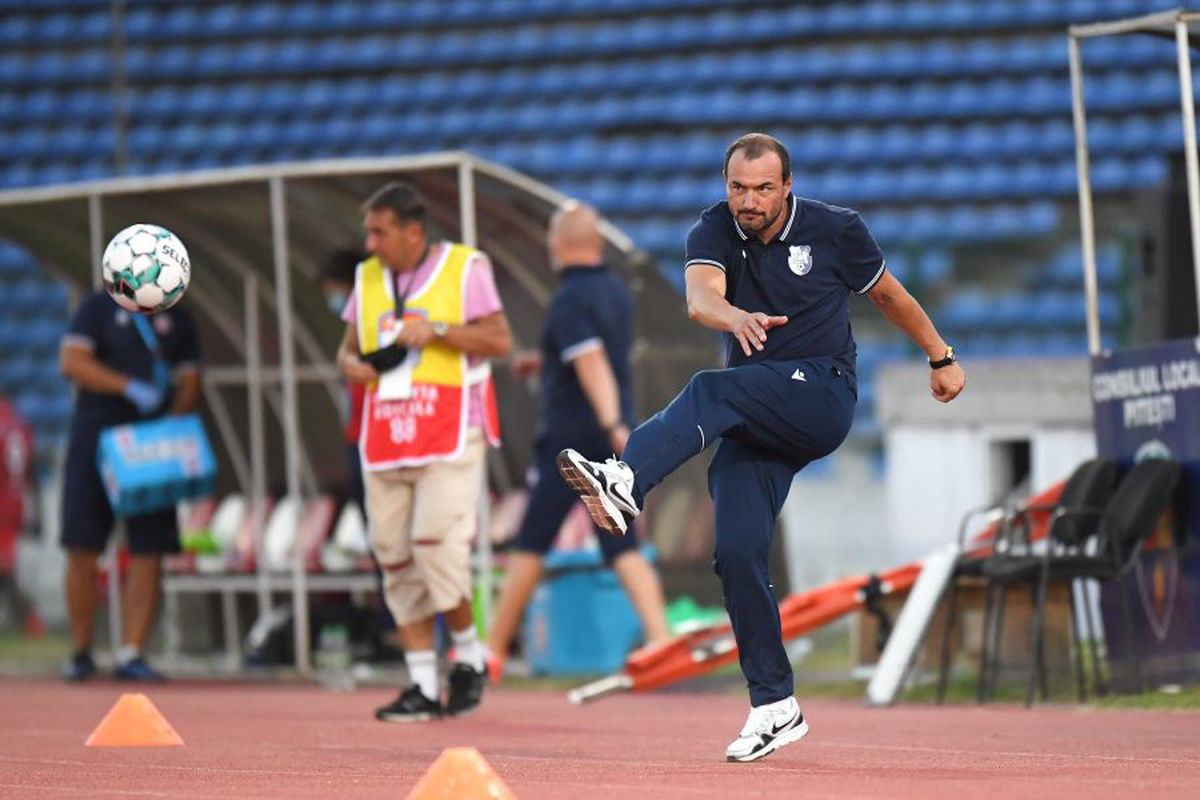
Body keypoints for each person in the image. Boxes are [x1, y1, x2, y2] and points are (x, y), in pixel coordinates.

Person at [558, 133, 966, 762]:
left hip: (821, 393)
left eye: (762, 189)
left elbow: (889, 296)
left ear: (787, 186)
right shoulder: (714, 229)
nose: (748, 201)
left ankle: (626, 480)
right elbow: (700, 299)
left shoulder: (836, 230)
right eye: (738, 188)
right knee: (738, 550)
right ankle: (775, 705)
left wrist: (940, 356)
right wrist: (735, 319)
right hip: (758, 413)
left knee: (709, 391)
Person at [337, 181, 511, 721]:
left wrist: (435, 329)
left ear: (414, 232)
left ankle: (467, 656)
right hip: (386, 432)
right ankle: (419, 684)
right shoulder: (366, 278)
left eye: (380, 232)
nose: (371, 243)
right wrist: (352, 366)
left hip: (450, 427)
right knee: (393, 555)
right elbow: (347, 348)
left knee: (434, 544)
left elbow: (499, 340)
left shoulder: (465, 267)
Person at [485, 201, 670, 676]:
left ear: (558, 245)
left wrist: (611, 421)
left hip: (570, 442)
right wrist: (547, 364)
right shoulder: (615, 291)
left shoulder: (567, 299)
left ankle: (491, 653)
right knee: (620, 541)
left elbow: (591, 364)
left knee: (532, 541)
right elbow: (593, 355)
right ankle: (661, 640)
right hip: (607, 437)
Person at [59, 291, 202, 682]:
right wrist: (125, 386)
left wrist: (173, 421)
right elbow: (72, 362)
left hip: (149, 441)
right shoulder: (97, 308)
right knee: (83, 544)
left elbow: (191, 379)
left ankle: (132, 651)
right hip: (97, 436)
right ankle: (80, 649)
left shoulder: (180, 317)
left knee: (150, 547)